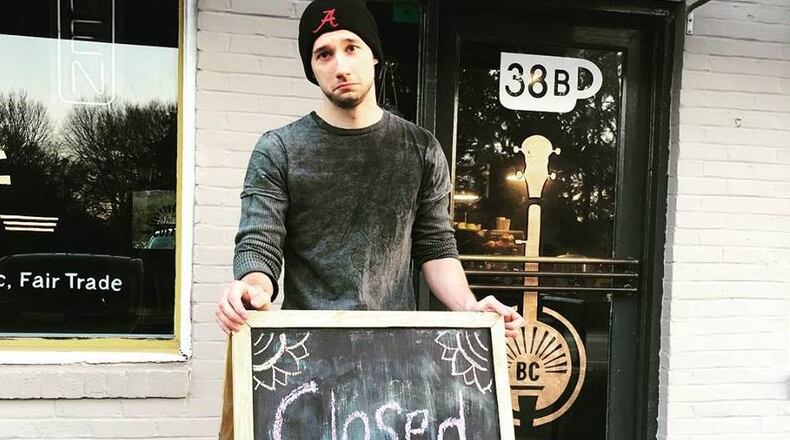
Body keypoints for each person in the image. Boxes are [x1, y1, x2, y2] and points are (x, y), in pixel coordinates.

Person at [214, 0, 524, 337]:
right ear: (312, 69)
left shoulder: (421, 149)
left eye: (351, 48)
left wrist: (469, 307)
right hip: (308, 346)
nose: (341, 66)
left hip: (394, 345)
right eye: (324, 54)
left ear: (374, 54)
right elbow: (259, 242)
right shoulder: (278, 149)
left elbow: (435, 245)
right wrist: (253, 289)